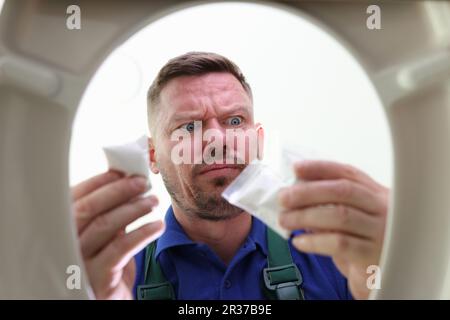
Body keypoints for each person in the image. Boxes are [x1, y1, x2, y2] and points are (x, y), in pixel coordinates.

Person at [71, 52, 389, 300]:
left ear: (259, 142)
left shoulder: (336, 255)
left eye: (235, 121)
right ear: (153, 156)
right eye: (188, 126)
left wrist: (395, 270)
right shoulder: (113, 276)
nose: (217, 140)